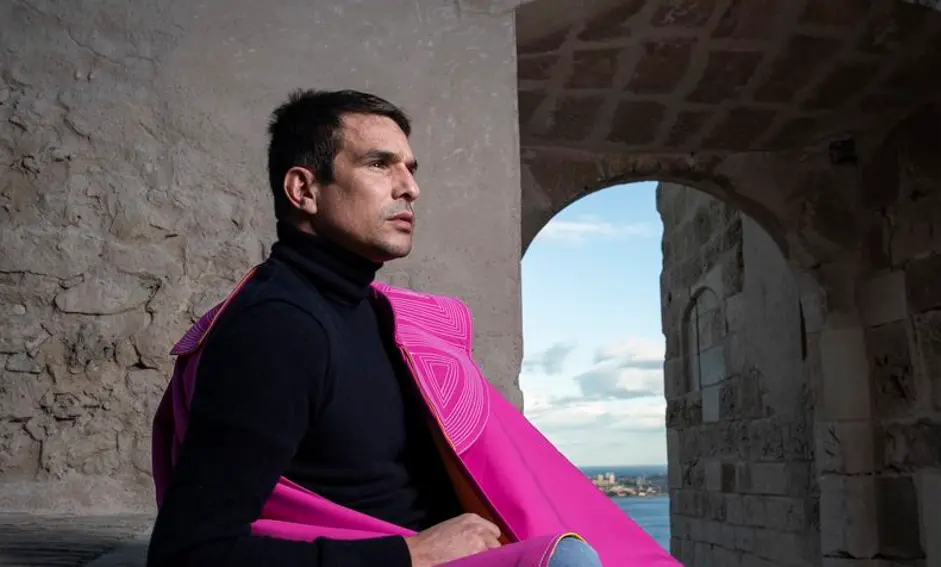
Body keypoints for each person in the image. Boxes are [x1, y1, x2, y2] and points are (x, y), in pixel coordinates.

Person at [146, 90, 617, 567]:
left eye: (411, 168)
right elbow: (189, 553)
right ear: (303, 190)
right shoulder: (277, 328)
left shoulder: (380, 317)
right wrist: (410, 553)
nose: (409, 188)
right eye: (379, 164)